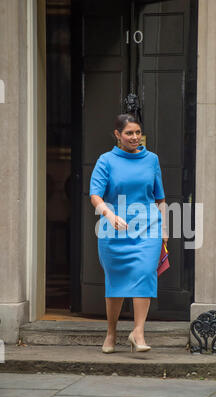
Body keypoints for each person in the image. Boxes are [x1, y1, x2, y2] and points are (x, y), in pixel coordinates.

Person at [89, 114, 168, 353]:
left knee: (144, 274)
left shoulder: (152, 159)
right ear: (117, 134)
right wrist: (108, 214)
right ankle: (111, 333)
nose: (134, 137)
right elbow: (95, 195)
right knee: (116, 281)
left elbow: (160, 198)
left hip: (148, 228)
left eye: (137, 133)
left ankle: (139, 333)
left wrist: (164, 232)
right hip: (114, 230)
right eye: (129, 133)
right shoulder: (106, 161)